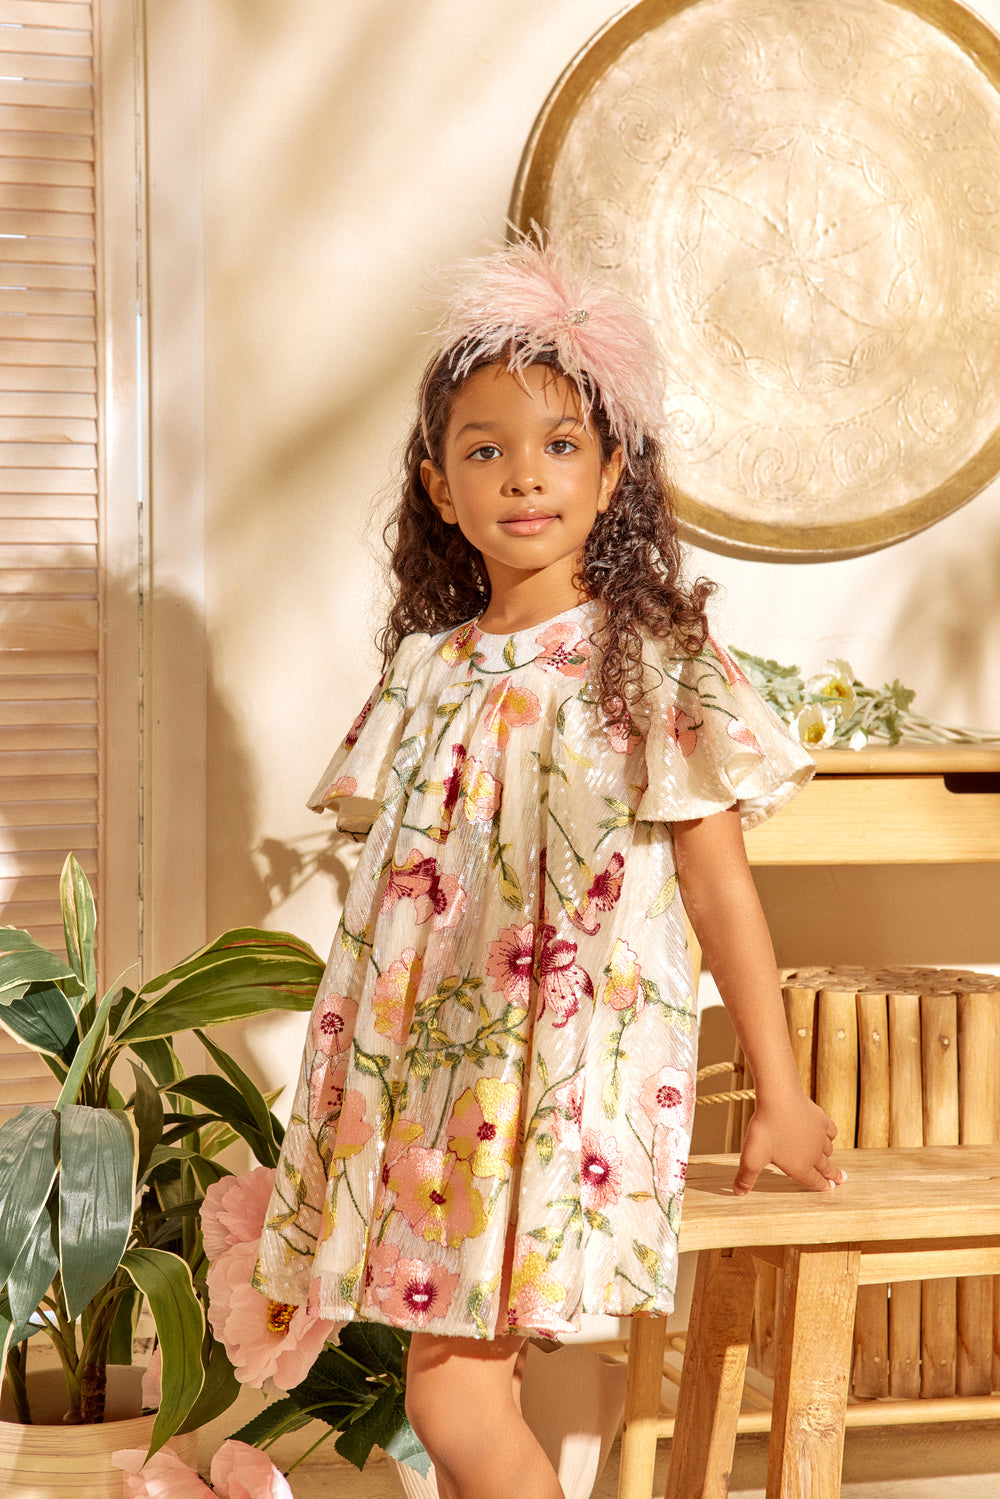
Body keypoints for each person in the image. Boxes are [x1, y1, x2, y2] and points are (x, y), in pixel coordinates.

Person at [254, 238, 844, 1499]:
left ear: (613, 468)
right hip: (434, 1088)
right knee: (468, 1386)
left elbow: (717, 886)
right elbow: (412, 909)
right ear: (438, 483)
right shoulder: (428, 673)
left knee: (453, 1395)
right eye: (485, 448)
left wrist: (781, 1088)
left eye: (562, 443)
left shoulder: (650, 662)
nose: (525, 474)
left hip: (561, 1083)